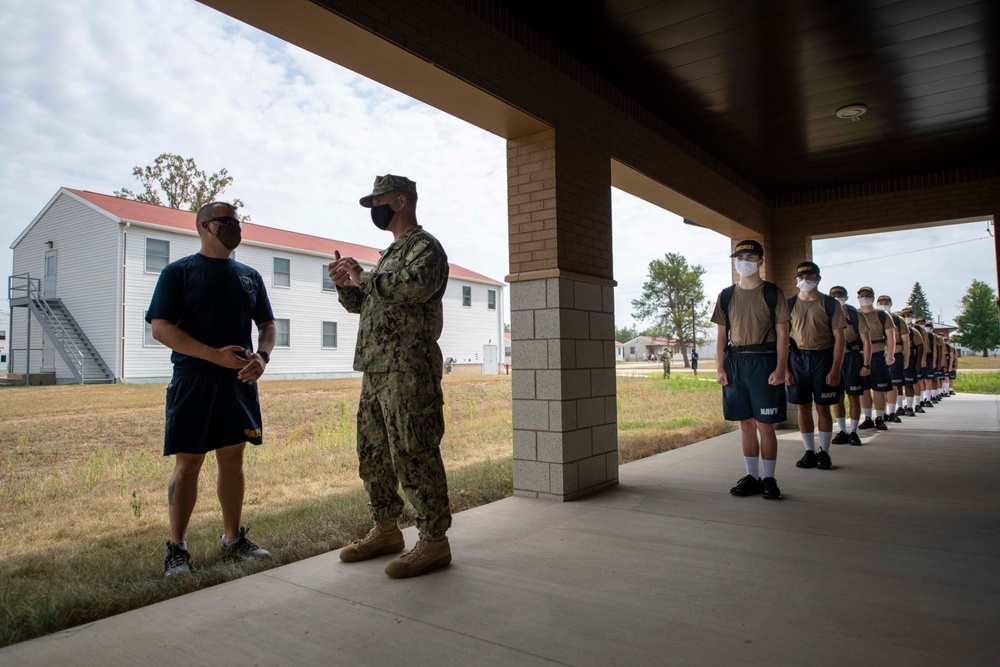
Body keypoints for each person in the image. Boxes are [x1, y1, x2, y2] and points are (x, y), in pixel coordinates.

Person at [329, 174, 453, 578]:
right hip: (376, 368)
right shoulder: (388, 254)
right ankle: (386, 529)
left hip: (409, 371)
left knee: (414, 452)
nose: (374, 210)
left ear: (400, 201)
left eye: (378, 202)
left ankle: (434, 541)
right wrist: (347, 284)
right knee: (374, 453)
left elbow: (412, 287)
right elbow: (369, 303)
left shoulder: (425, 248)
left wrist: (364, 277)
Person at [147, 201, 276, 577]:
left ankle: (233, 538)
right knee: (188, 465)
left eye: (239, 222)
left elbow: (267, 324)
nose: (237, 228)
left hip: (239, 382)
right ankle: (177, 549)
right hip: (194, 382)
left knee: (233, 461)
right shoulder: (178, 273)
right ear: (206, 226)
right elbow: (161, 328)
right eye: (229, 222)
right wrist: (212, 356)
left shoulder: (249, 275)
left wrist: (263, 358)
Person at [711, 240, 790, 500]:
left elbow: (782, 334)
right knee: (745, 425)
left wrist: (781, 368)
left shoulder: (772, 293)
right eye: (739, 256)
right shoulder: (726, 295)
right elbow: (722, 336)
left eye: (749, 256)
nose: (743, 261)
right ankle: (752, 476)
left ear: (760, 261)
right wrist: (720, 367)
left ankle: (769, 478)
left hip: (764, 362)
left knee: (765, 425)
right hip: (737, 364)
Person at [786, 262, 846, 471]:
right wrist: (785, 369)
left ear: (818, 278)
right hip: (797, 360)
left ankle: (824, 452)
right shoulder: (789, 305)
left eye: (809, 276)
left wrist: (835, 369)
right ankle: (809, 451)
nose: (805, 281)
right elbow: (783, 338)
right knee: (802, 406)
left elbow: (840, 339)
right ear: (796, 280)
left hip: (824, 359)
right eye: (801, 277)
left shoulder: (830, 304)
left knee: (823, 407)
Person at [829, 285, 870, 446]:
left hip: (852, 358)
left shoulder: (856, 315)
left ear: (846, 297)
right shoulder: (827, 314)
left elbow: (867, 342)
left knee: (853, 396)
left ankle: (853, 431)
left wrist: (866, 364)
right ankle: (842, 430)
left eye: (840, 295)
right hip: (834, 358)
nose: (837, 298)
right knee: (837, 397)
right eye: (834, 295)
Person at [856, 286, 895, 432]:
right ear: (857, 297)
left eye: (867, 295)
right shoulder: (854, 314)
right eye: (861, 295)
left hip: (878, 354)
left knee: (879, 389)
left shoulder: (882, 315)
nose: (864, 298)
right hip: (860, 356)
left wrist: (890, 355)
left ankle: (879, 417)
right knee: (864, 389)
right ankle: (867, 418)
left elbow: (890, 336)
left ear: (873, 297)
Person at [876, 295, 909, 423]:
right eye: (881, 302)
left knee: (893, 384)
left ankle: (891, 411)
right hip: (879, 355)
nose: (883, 304)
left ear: (891, 304)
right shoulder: (875, 316)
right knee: (880, 385)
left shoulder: (898, 319)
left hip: (895, 354)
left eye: (886, 302)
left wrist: (906, 358)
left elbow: (906, 341)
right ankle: (881, 412)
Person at [898, 307, 923, 417]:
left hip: (910, 359)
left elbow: (920, 347)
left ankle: (909, 406)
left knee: (909, 384)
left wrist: (918, 363)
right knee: (897, 385)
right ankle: (899, 407)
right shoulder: (893, 330)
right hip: (897, 359)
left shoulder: (913, 331)